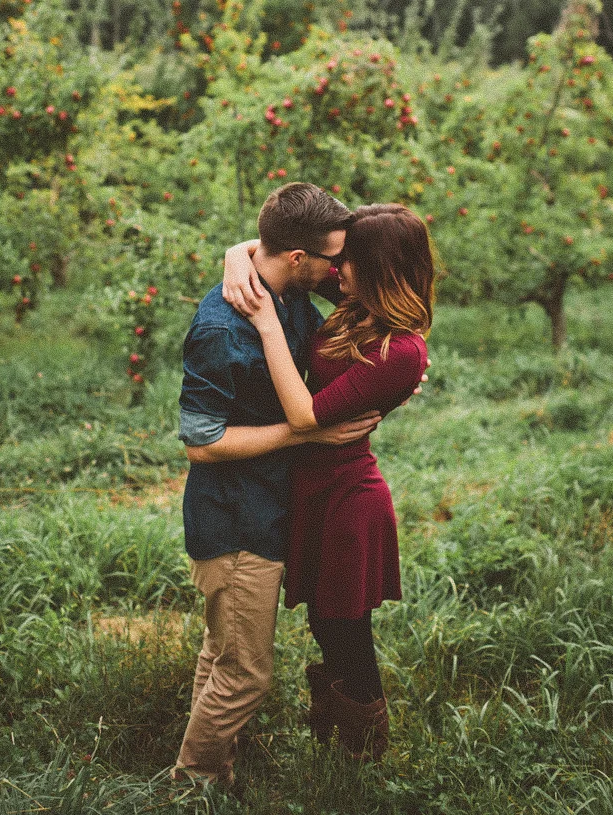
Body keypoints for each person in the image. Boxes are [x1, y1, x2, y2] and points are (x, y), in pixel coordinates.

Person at [173, 182, 384, 789]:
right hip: (234, 521)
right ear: (298, 258)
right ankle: (194, 785)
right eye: (333, 259)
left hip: (265, 510)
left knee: (222, 655)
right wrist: (306, 437)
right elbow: (201, 442)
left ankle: (212, 765)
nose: (341, 270)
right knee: (246, 673)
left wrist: (395, 375)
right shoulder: (222, 329)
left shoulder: (285, 297)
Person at [224, 203, 434, 761]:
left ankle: (364, 746)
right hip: (314, 489)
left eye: (348, 260)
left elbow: (305, 418)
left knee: (345, 627)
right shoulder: (356, 304)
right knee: (324, 620)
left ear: (378, 266)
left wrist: (268, 321)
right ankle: (337, 732)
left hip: (348, 498)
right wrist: (233, 256)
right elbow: (274, 250)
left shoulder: (402, 349)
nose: (335, 270)